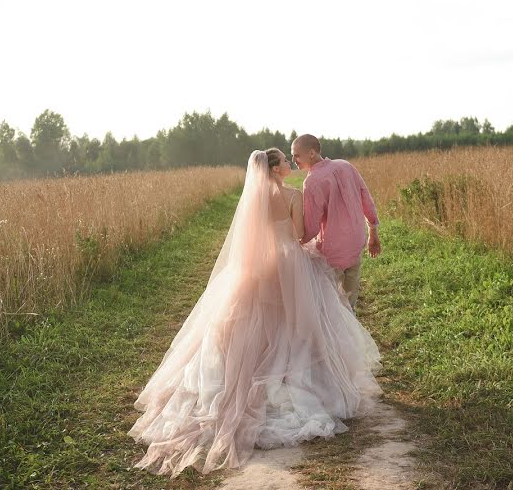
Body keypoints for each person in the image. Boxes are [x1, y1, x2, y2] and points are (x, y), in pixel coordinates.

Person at [128, 149, 382, 478]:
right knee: (295, 323)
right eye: (286, 162)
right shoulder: (292, 194)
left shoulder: (253, 200)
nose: (291, 165)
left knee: (256, 319)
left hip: (258, 264)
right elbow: (300, 234)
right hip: (290, 261)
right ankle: (300, 372)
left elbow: (252, 239)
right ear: (275, 169)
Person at [290, 134, 381, 312]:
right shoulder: (346, 166)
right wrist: (373, 231)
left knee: (332, 303)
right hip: (356, 242)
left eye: (296, 155)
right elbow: (366, 199)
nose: (293, 160)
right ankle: (351, 328)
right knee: (350, 297)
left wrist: (298, 241)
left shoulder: (312, 181)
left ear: (311, 153)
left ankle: (339, 334)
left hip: (332, 250)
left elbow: (311, 226)